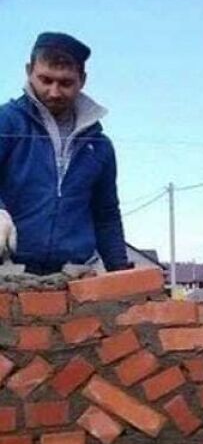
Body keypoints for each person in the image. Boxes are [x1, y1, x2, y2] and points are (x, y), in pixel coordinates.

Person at [0, 32, 130, 274]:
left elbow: (106, 216)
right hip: (9, 272)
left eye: (66, 82)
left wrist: (121, 274)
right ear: (29, 71)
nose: (54, 92)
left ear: (82, 80)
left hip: (73, 276)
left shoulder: (99, 146)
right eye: (45, 80)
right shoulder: (6, 123)